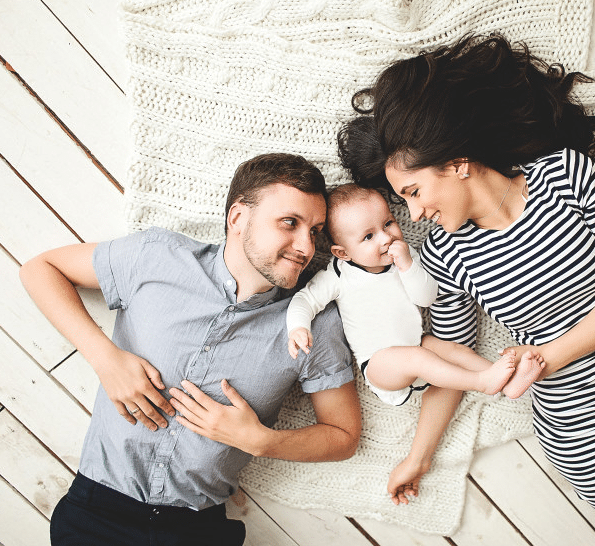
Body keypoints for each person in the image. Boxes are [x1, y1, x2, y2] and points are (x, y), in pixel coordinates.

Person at [337, 35, 595, 545]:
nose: (417, 213)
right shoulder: (446, 258)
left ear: (455, 162)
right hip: (573, 439)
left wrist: (548, 357)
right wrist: (418, 456)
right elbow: (453, 355)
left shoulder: (567, 177)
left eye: (414, 192)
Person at [20, 153, 361, 546]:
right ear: (237, 218)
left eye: (315, 231)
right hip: (96, 516)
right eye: (290, 223)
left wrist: (262, 441)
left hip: (197, 531)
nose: (305, 246)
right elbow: (39, 270)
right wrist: (105, 358)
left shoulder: (313, 323)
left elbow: (343, 436)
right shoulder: (156, 257)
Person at [286, 183, 545, 405]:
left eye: (388, 223)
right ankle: (482, 382)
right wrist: (298, 326)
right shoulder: (339, 275)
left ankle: (506, 378)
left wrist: (408, 266)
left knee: (455, 349)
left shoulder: (405, 257)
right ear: (343, 253)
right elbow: (306, 299)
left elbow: (426, 298)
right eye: (368, 237)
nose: (386, 238)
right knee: (419, 356)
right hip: (378, 364)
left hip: (415, 343)